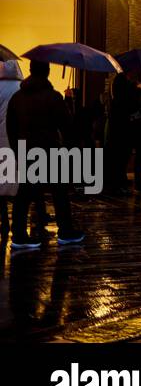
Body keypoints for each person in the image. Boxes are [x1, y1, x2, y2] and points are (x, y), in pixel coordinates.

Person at [7, 60, 85, 248]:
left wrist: (17, 150)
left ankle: (18, 235)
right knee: (59, 192)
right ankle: (65, 231)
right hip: (50, 149)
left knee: (24, 193)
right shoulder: (53, 97)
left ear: (31, 71)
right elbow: (66, 125)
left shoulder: (17, 97)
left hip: (27, 150)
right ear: (47, 72)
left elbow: (11, 127)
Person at [0, 59, 21, 243]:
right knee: (17, 185)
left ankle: (4, 220)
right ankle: (17, 222)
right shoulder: (20, 89)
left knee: (0, 185)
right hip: (15, 142)